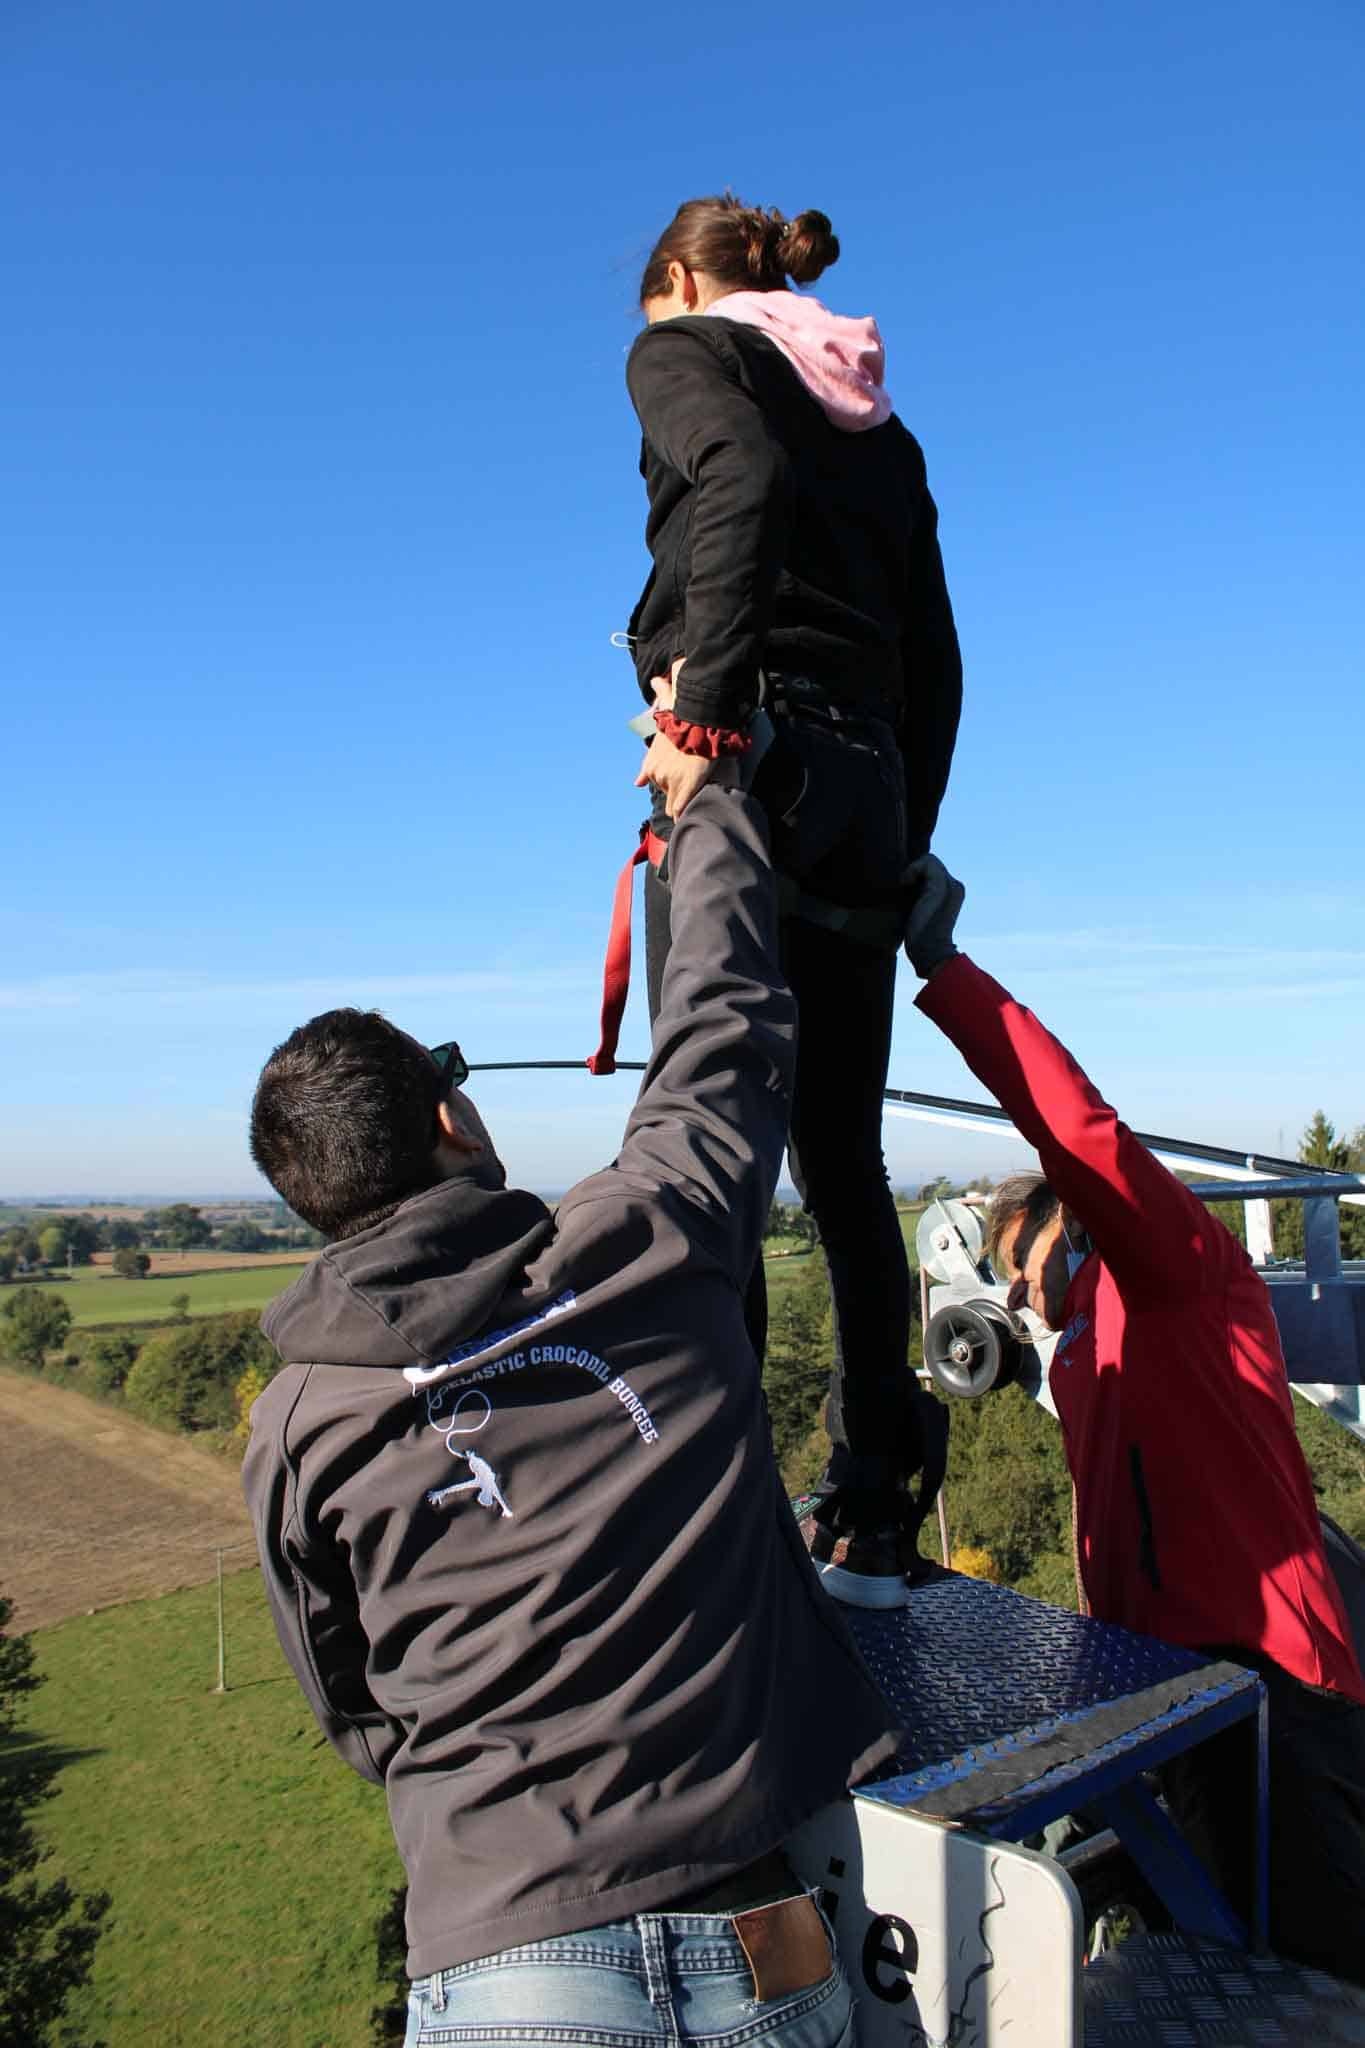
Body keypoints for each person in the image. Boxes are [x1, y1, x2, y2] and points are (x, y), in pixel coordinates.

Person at [242, 775, 897, 2048]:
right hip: (766, 1940)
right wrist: (707, 803)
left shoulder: (299, 1426)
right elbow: (725, 1025)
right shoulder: (651, 1228)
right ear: (451, 1115)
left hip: (506, 1970)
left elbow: (357, 1705)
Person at [903, 855, 1365, 1983]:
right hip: (1175, 1696)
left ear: (1076, 1225)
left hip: (1274, 1688)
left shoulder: (1180, 1274)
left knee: (1320, 1974)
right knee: (1226, 1964)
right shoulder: (1093, 1356)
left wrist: (947, 971)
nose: (1025, 1301)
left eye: (1025, 1272)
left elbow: (1084, 1136)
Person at [624, 193, 963, 1607]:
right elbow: (937, 659)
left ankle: (727, 1524)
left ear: (683, 282)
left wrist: (699, 718)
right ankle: (874, 1515)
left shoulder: (683, 350)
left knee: (716, 1146)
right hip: (866, 789)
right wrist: (908, 842)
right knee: (841, 1163)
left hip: (744, 763)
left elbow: (741, 473)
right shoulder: (886, 429)